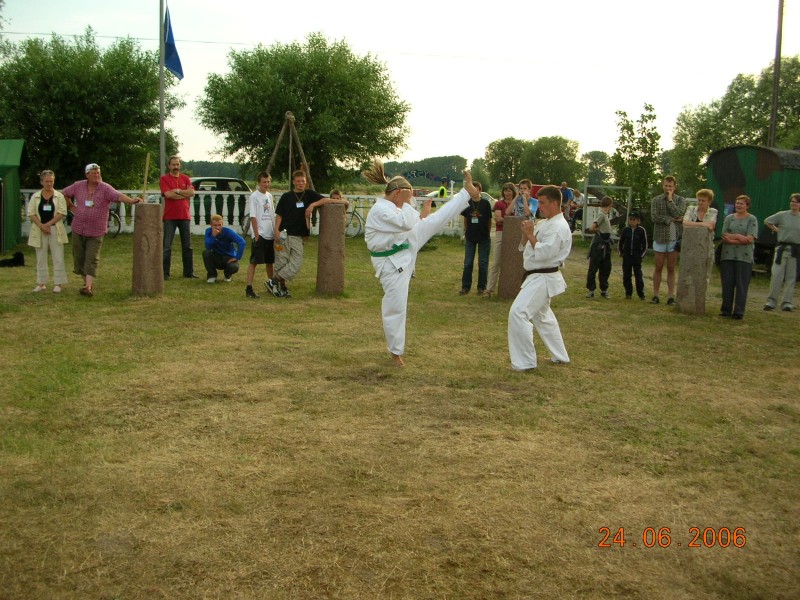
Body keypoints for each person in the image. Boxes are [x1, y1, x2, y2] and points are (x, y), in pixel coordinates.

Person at [364, 161, 477, 367]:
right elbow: (407, 222)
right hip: (390, 262)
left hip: (403, 246)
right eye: (407, 196)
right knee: (396, 306)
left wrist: (416, 209)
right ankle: (395, 352)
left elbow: (413, 221)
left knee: (436, 220)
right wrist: (409, 203)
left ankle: (464, 194)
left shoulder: (393, 206)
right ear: (397, 193)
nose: (409, 200)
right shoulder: (380, 210)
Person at [508, 185, 572, 371]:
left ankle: (525, 362)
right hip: (537, 275)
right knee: (542, 317)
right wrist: (526, 236)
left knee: (518, 313)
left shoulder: (558, 227)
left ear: (554, 203)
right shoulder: (545, 223)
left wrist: (530, 235)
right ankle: (560, 355)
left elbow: (545, 253)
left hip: (544, 276)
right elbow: (526, 247)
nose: (539, 207)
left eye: (542, 203)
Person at [62, 163, 143, 297]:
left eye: (98, 172)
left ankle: (88, 286)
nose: (97, 175)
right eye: (94, 173)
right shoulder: (78, 186)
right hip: (79, 228)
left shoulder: (105, 188)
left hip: (96, 231)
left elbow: (118, 196)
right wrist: (71, 206)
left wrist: (131, 201)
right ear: (87, 175)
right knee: (79, 258)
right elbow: (64, 193)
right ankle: (87, 283)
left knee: (91, 258)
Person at [265, 170, 324, 298]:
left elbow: (325, 200)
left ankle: (273, 281)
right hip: (284, 235)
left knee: (296, 263)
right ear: (293, 182)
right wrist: (276, 231)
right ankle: (281, 288)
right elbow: (279, 215)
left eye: (303, 181)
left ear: (306, 182)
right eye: (298, 181)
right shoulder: (286, 197)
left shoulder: (309, 194)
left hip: (298, 236)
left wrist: (313, 205)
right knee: (281, 262)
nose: (300, 183)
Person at [27, 169, 69, 293]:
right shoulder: (35, 196)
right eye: (47, 181)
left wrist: (48, 225)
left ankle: (58, 283)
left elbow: (62, 212)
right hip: (39, 229)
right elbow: (31, 213)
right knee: (41, 257)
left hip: (55, 229)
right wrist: (41, 226)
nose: (49, 184)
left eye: (51, 181)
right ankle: (41, 283)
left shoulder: (59, 196)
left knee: (58, 256)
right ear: (41, 182)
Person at [719, 195, 758, 320]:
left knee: (741, 285)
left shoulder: (752, 219)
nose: (738, 205)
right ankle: (726, 310)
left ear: (747, 206)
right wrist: (739, 236)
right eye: (737, 203)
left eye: (741, 203)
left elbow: (749, 238)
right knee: (727, 284)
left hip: (744, 257)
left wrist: (732, 239)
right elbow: (724, 234)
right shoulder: (729, 218)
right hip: (728, 255)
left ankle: (739, 311)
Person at [650, 175, 686, 305]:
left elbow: (679, 214)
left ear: (674, 187)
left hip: (673, 237)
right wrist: (670, 219)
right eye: (666, 186)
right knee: (658, 266)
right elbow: (654, 217)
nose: (667, 188)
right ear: (662, 185)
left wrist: (670, 200)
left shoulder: (680, 200)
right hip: (660, 236)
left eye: (670, 186)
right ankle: (655, 295)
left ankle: (671, 296)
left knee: (671, 267)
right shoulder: (656, 200)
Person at [159, 155, 196, 280]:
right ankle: (164, 273)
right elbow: (168, 194)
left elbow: (192, 193)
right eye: (173, 164)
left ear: (180, 165)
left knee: (187, 246)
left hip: (184, 215)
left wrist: (178, 191)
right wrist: (184, 194)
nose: (176, 167)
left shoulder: (185, 178)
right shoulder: (164, 179)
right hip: (170, 216)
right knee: (167, 246)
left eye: (177, 164)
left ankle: (188, 273)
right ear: (169, 166)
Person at [763, 193, 800, 312]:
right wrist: (776, 229)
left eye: (797, 202)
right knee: (776, 275)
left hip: (795, 250)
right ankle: (771, 301)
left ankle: (787, 302)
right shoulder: (782, 215)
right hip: (782, 249)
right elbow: (767, 221)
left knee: (791, 277)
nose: (794, 204)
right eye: (792, 201)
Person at [244, 172, 275, 298]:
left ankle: (272, 284)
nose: (266, 184)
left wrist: (275, 232)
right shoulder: (254, 196)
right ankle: (249, 288)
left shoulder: (269, 196)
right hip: (260, 234)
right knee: (254, 261)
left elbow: (272, 214)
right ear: (259, 183)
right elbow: (253, 216)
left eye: (268, 182)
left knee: (270, 261)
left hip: (270, 233)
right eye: (264, 182)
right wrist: (256, 234)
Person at [459, 181, 492, 295]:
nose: (474, 191)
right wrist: (466, 231)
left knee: (483, 263)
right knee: (468, 263)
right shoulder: (467, 204)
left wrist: (487, 233)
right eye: (472, 189)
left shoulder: (485, 203)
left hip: (483, 237)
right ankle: (465, 287)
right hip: (470, 237)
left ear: (480, 190)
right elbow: (465, 219)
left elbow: (489, 220)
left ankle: (481, 287)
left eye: (476, 189)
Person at [682, 188, 718, 281]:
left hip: (706, 247)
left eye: (703, 200)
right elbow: (685, 223)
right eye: (699, 200)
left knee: (704, 275)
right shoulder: (690, 209)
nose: (700, 202)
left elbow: (711, 226)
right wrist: (703, 224)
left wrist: (692, 224)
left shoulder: (713, 211)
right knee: (688, 273)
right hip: (690, 246)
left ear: (709, 202)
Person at [486, 182, 514, 296]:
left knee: (511, 263)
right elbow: (498, 219)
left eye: (509, 190)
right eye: (505, 190)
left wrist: (505, 219)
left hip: (513, 234)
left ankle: (509, 289)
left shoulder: (517, 204)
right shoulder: (499, 204)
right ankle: (489, 289)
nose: (507, 193)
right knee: (496, 262)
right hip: (500, 233)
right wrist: (512, 220)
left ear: (513, 192)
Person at [203, 213, 246, 283]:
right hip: (216, 256)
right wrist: (213, 236)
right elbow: (208, 247)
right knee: (206, 253)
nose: (217, 227)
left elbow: (242, 242)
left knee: (234, 267)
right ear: (211, 225)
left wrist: (237, 257)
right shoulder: (208, 231)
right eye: (215, 225)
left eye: (219, 225)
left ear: (222, 224)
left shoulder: (228, 232)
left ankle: (227, 275)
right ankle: (212, 275)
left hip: (228, 257)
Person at [585, 196, 613, 298]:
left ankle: (604, 289)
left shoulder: (604, 215)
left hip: (605, 245)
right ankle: (591, 289)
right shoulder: (601, 215)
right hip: (599, 245)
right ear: (610, 205)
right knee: (594, 267)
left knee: (605, 267)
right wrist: (599, 232)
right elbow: (592, 227)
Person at [618, 211, 648, 300]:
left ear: (638, 221)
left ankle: (641, 294)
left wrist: (641, 255)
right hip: (627, 256)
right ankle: (628, 293)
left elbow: (645, 245)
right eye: (630, 219)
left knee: (638, 276)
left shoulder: (641, 230)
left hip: (637, 257)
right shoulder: (626, 230)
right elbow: (620, 243)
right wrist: (621, 253)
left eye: (633, 219)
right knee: (626, 276)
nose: (631, 221)